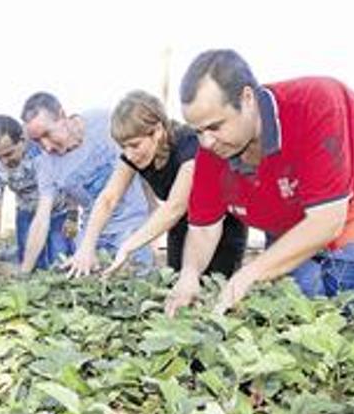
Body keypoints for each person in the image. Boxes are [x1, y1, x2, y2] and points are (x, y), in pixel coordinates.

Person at [166, 49, 354, 316]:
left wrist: (250, 273)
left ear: (247, 98)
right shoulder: (213, 148)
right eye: (198, 131)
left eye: (214, 127)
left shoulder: (317, 104)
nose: (206, 142)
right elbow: (203, 229)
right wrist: (189, 275)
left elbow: (326, 221)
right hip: (291, 214)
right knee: (297, 312)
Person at [64, 90, 247, 278]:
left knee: (213, 290)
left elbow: (174, 207)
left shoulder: (190, 148)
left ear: (158, 131)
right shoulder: (134, 155)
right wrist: (87, 246)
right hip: (182, 224)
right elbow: (108, 198)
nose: (129, 154)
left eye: (134, 145)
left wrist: (128, 246)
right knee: (176, 286)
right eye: (123, 146)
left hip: (221, 226)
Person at [19, 92, 151, 273]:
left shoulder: (106, 122)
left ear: (62, 115)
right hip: (91, 237)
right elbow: (41, 218)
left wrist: (154, 214)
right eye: (37, 141)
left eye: (47, 134)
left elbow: (144, 164)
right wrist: (25, 271)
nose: (46, 147)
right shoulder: (45, 164)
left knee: (138, 288)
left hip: (131, 229)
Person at [0, 115, 76, 270]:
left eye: (9, 154)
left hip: (58, 211)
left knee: (60, 259)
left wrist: (72, 215)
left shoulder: (43, 150)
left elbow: (70, 179)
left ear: (23, 140)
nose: (4, 161)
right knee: (28, 261)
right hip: (27, 211)